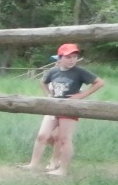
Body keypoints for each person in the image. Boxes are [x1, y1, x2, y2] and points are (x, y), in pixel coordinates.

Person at [19, 43, 104, 176]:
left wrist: (80, 96)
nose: (72, 60)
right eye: (68, 57)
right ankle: (33, 164)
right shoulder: (53, 71)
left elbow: (99, 82)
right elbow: (42, 82)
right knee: (42, 136)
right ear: (60, 58)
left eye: (74, 57)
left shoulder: (79, 72)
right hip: (53, 107)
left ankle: (62, 169)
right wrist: (48, 94)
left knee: (64, 138)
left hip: (69, 108)